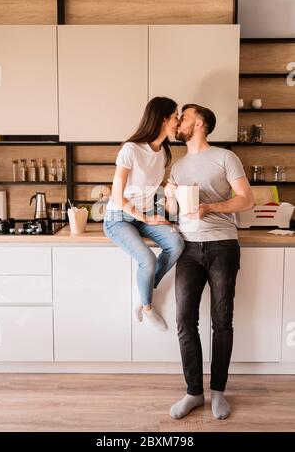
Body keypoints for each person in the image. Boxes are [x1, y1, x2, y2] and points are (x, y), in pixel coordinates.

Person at [165, 104, 254, 420]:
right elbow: (175, 213)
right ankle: (194, 392)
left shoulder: (225, 157)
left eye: (184, 117)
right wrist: (171, 195)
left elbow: (247, 199)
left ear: (199, 123)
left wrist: (210, 208)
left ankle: (218, 392)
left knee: (221, 320)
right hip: (188, 249)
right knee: (184, 319)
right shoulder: (177, 166)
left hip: (222, 246)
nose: (179, 123)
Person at [103, 97, 185, 331]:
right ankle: (148, 307)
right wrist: (146, 217)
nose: (178, 120)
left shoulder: (163, 153)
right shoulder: (130, 149)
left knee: (176, 243)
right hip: (118, 217)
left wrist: (160, 212)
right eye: (176, 115)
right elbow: (118, 197)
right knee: (147, 259)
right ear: (163, 119)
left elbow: (150, 192)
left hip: (144, 214)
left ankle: (143, 292)